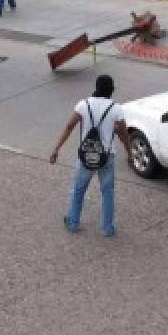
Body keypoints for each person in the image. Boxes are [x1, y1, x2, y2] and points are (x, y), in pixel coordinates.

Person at [49, 74, 131, 237]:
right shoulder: (117, 109)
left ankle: (73, 223)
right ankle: (107, 229)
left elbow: (69, 126)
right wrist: (130, 154)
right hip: (107, 156)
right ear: (111, 90)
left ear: (96, 87)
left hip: (86, 156)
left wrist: (56, 149)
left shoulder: (83, 105)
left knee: (78, 189)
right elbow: (123, 133)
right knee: (107, 192)